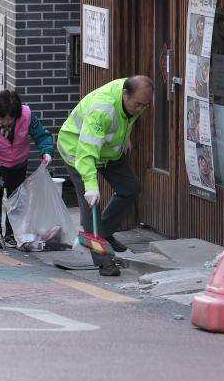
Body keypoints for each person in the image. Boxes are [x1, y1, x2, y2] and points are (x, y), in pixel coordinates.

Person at [58, 75, 153, 276]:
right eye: (137, 104)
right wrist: (91, 187)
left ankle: (104, 233)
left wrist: (124, 140)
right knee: (91, 205)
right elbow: (86, 153)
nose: (140, 110)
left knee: (130, 187)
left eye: (145, 105)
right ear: (125, 94)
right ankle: (104, 262)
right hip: (77, 151)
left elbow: (124, 119)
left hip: (107, 151)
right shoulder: (102, 110)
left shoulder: (134, 94)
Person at [0, 90, 54, 249]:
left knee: (16, 200)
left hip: (18, 164)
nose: (6, 122)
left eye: (10, 119)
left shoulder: (27, 117)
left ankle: (10, 234)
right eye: (2, 119)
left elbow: (42, 136)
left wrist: (47, 151)